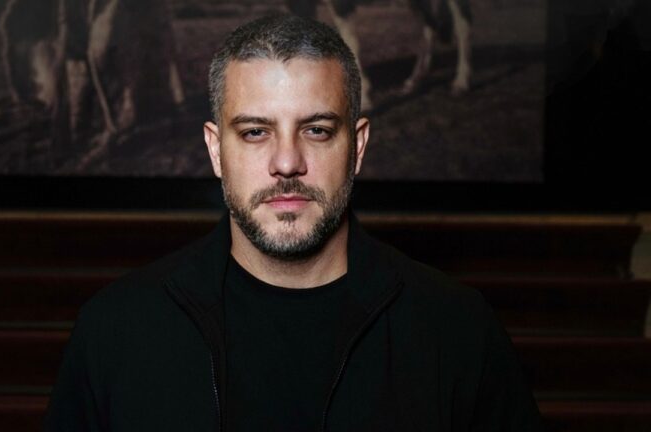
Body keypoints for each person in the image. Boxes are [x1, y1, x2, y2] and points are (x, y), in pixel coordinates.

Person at [44, 14, 542, 431]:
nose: (287, 162)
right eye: (255, 132)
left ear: (358, 147)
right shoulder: (117, 331)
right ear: (216, 150)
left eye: (317, 130)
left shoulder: (457, 332)